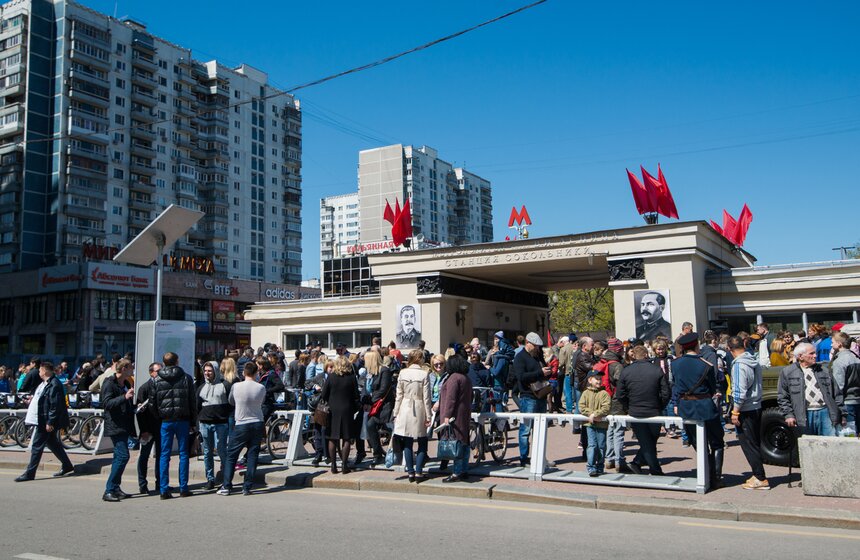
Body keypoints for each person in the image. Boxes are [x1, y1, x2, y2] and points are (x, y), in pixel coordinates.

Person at [672, 332, 725, 490]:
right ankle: (715, 477)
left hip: (686, 407)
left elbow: (675, 384)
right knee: (717, 442)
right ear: (696, 345)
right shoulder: (706, 365)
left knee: (697, 443)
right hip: (705, 406)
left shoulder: (675, 364)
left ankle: (705, 473)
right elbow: (711, 387)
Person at [15, 361, 75, 482]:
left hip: (45, 420)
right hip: (43, 419)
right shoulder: (46, 383)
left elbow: (54, 405)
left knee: (37, 446)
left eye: (40, 370)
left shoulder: (54, 384)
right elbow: (44, 399)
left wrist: (50, 422)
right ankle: (67, 465)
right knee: (53, 443)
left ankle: (30, 473)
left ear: (46, 371)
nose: (39, 373)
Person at [615, 346, 670, 475]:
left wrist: (628, 406)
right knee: (649, 441)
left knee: (647, 441)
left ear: (634, 355)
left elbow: (620, 394)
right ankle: (654, 469)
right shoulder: (656, 370)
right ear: (646, 354)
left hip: (636, 411)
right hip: (653, 410)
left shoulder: (626, 371)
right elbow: (666, 392)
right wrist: (660, 406)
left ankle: (637, 463)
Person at [153, 352, 197, 499]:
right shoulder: (186, 378)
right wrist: (193, 421)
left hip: (166, 420)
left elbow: (153, 403)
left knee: (164, 454)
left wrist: (159, 417)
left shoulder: (157, 379)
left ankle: (164, 489)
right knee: (183, 453)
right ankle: (183, 487)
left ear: (164, 363)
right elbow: (192, 401)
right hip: (182, 419)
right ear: (177, 361)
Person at [727, 336, 769, 490]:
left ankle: (760, 477)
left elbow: (739, 391)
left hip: (745, 408)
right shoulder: (753, 360)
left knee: (748, 444)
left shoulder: (738, 365)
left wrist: (735, 412)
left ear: (730, 349)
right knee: (754, 442)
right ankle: (758, 474)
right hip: (756, 405)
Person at [218, 362, 266, 496]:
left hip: (241, 422)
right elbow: (261, 402)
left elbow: (231, 401)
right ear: (256, 373)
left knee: (232, 455)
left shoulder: (236, 386)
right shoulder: (261, 387)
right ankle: (247, 487)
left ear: (244, 373)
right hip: (257, 422)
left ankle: (226, 485)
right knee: (252, 455)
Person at [777, 342, 841, 436]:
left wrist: (842, 414)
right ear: (800, 356)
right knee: (807, 446)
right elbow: (782, 396)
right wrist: (789, 415)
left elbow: (837, 393)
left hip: (825, 413)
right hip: (803, 415)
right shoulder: (788, 372)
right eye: (811, 353)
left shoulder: (824, 370)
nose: (815, 356)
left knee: (829, 445)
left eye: (815, 353)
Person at [511, 332, 551, 467]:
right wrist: (540, 372)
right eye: (536, 346)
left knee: (540, 429)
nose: (538, 349)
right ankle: (524, 458)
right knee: (525, 430)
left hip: (541, 395)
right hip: (528, 396)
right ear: (528, 343)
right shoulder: (520, 357)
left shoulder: (538, 355)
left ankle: (539, 457)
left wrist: (547, 370)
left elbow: (541, 369)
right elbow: (521, 377)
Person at [392, 350, 433, 482]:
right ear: (420, 359)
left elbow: (398, 395)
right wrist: (428, 415)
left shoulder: (403, 373)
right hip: (419, 406)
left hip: (404, 406)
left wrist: (395, 412)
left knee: (407, 441)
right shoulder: (424, 374)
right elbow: (427, 398)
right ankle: (419, 471)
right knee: (422, 440)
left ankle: (410, 471)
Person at [101, 358, 136, 501]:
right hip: (115, 425)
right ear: (123, 369)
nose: (132, 370)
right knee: (123, 456)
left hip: (124, 424)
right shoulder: (110, 383)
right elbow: (107, 403)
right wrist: (124, 397)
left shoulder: (126, 383)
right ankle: (109, 489)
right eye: (130, 368)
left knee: (118, 457)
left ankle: (115, 488)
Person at [321, 355, 361, 474]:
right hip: (347, 409)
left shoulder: (331, 377)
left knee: (333, 438)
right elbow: (356, 396)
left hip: (333, 410)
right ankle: (344, 465)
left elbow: (323, 395)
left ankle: (333, 465)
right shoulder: (352, 377)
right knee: (347, 438)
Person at [437, 354, 472, 483]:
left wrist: (446, 415)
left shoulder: (453, 378)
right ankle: (464, 469)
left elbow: (451, 399)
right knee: (464, 443)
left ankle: (456, 472)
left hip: (454, 416)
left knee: (455, 443)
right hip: (464, 414)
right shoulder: (466, 378)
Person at [198, 362, 231, 490]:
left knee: (222, 451)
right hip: (205, 424)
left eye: (210, 371)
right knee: (207, 452)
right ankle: (210, 479)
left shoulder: (225, 385)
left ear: (216, 371)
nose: (207, 373)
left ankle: (226, 479)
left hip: (221, 424)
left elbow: (231, 403)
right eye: (205, 371)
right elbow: (197, 406)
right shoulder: (201, 387)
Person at [595, 338, 625, 471]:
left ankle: (609, 458)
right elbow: (620, 384)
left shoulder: (603, 361)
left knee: (610, 430)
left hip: (605, 399)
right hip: (616, 400)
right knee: (618, 430)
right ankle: (619, 461)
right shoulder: (617, 365)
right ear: (618, 350)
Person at [365, 349, 395, 465]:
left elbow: (383, 389)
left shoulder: (384, 371)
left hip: (384, 407)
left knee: (380, 426)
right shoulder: (371, 372)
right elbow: (365, 388)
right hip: (374, 406)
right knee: (370, 426)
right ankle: (378, 453)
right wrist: (365, 400)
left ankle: (383, 453)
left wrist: (371, 401)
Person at [136, 362, 162, 495]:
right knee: (144, 456)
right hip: (148, 428)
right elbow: (139, 412)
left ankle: (160, 483)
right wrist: (144, 430)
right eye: (158, 371)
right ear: (151, 372)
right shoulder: (144, 388)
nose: (160, 373)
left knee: (161, 456)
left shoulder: (163, 386)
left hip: (161, 427)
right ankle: (142, 484)